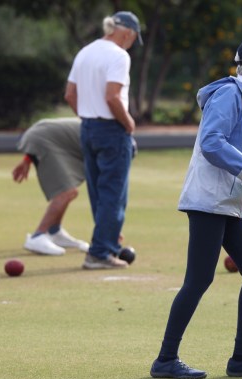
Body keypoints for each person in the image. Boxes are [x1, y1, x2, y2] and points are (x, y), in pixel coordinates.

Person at [150, 35, 242, 379]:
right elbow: (212, 143)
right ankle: (165, 359)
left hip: (227, 203)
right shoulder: (230, 94)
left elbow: (235, 151)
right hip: (207, 202)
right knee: (198, 280)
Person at [64, 11, 142, 270]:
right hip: (112, 130)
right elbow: (112, 96)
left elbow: (70, 94)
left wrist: (88, 115)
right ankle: (99, 252)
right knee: (113, 194)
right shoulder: (119, 55)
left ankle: (106, 240)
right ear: (127, 33)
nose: (131, 44)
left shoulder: (85, 51)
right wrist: (128, 123)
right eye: (133, 39)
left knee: (99, 191)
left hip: (87, 127)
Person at [12, 118, 90, 256]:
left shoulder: (104, 131)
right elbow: (100, 191)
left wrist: (27, 159)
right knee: (67, 192)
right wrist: (109, 230)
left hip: (44, 136)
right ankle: (37, 236)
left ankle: (54, 232)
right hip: (42, 139)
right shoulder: (105, 141)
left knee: (70, 191)